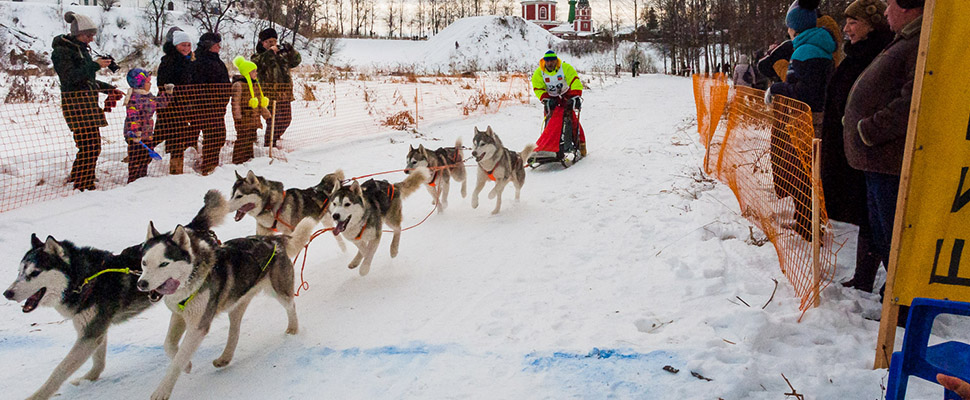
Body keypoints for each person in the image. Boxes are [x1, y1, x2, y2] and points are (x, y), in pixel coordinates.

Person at [843, 0, 924, 299]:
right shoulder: (905, 40)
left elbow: (911, 102)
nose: (887, 11)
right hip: (878, 160)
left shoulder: (919, 43)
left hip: (889, 159)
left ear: (909, 7)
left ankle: (902, 302)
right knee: (882, 233)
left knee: (894, 236)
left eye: (891, 4)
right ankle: (895, 295)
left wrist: (868, 129)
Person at [819, 0, 894, 292]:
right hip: (854, 148)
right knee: (869, 216)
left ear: (872, 24)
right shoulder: (859, 53)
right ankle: (864, 278)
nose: (847, 28)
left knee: (882, 221)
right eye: (846, 21)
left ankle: (899, 287)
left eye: (854, 22)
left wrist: (865, 130)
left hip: (873, 149)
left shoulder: (878, 54)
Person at [765, 0, 838, 241]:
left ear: (794, 27)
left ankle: (809, 225)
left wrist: (778, 88)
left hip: (809, 121)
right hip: (809, 119)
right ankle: (807, 220)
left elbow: (807, 92)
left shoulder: (807, 51)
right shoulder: (811, 46)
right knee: (806, 172)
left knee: (804, 173)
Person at [51, 11, 123, 191]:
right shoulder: (61, 52)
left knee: (90, 145)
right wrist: (95, 65)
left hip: (87, 104)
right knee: (89, 145)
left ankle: (79, 176)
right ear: (76, 34)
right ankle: (83, 184)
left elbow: (87, 80)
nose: (91, 39)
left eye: (92, 35)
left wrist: (109, 89)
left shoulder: (80, 50)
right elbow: (70, 78)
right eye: (88, 35)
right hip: (76, 105)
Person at [531, 50, 586, 157]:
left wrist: (575, 96)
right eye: (548, 61)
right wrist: (545, 98)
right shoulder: (539, 73)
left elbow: (574, 81)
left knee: (572, 120)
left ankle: (580, 144)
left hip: (566, 95)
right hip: (551, 98)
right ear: (544, 62)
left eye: (552, 61)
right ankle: (548, 145)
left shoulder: (565, 68)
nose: (550, 63)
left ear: (556, 61)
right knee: (550, 121)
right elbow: (538, 88)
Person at [253, 28, 301, 147]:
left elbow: (296, 61)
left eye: (274, 41)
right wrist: (270, 53)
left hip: (284, 93)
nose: (273, 44)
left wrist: (291, 50)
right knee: (273, 120)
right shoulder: (257, 56)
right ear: (262, 43)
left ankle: (275, 136)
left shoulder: (282, 56)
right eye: (269, 42)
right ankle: (269, 144)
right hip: (269, 94)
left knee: (286, 119)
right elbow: (259, 64)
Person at [155, 28, 194, 175]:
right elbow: (163, 84)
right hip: (170, 107)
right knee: (161, 136)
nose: (186, 48)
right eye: (183, 45)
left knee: (178, 138)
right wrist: (175, 94)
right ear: (175, 45)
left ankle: (176, 169)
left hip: (182, 107)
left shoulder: (188, 61)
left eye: (188, 45)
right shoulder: (169, 62)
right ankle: (139, 162)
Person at [191, 32, 231, 175]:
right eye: (216, 45)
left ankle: (210, 164)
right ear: (208, 46)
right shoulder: (199, 61)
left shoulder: (214, 59)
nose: (219, 47)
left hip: (216, 107)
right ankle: (207, 167)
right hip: (206, 106)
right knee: (215, 136)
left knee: (217, 136)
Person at [123, 68, 172, 183]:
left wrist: (168, 94)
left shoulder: (148, 96)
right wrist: (135, 132)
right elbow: (132, 115)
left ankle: (142, 179)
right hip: (135, 135)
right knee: (136, 157)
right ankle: (133, 180)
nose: (150, 84)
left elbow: (160, 103)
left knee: (145, 157)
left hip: (147, 133)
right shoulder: (134, 98)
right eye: (148, 82)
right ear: (139, 83)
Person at [230, 68, 270, 164]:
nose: (256, 73)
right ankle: (238, 161)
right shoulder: (239, 85)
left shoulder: (255, 84)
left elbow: (260, 101)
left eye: (256, 71)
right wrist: (238, 117)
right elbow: (235, 103)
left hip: (254, 118)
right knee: (243, 138)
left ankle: (248, 159)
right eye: (253, 71)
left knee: (251, 138)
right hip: (244, 117)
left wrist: (266, 114)